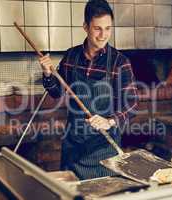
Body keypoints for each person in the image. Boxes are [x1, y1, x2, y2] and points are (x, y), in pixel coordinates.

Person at [39, 0, 138, 180]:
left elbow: (132, 104)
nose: (103, 35)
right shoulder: (71, 56)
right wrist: (48, 74)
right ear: (85, 27)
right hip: (73, 149)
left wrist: (109, 121)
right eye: (97, 28)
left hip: (104, 152)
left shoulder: (119, 62)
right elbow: (56, 92)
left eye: (108, 28)